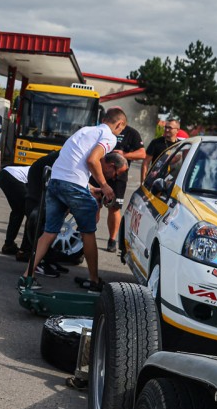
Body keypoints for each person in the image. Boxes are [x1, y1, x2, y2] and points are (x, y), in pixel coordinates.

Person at [22, 107, 129, 291]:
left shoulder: (85, 131)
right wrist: (104, 185)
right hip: (71, 185)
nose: (119, 133)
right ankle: (94, 280)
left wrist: (90, 188)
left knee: (49, 232)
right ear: (119, 124)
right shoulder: (109, 137)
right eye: (121, 129)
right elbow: (92, 160)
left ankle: (27, 276)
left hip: (55, 182)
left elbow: (72, 163)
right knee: (88, 232)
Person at [105, 123, 146, 252]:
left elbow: (142, 154)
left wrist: (124, 155)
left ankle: (112, 239)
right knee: (93, 204)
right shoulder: (105, 130)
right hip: (101, 170)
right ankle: (85, 236)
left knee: (114, 207)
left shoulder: (131, 133)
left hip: (119, 175)